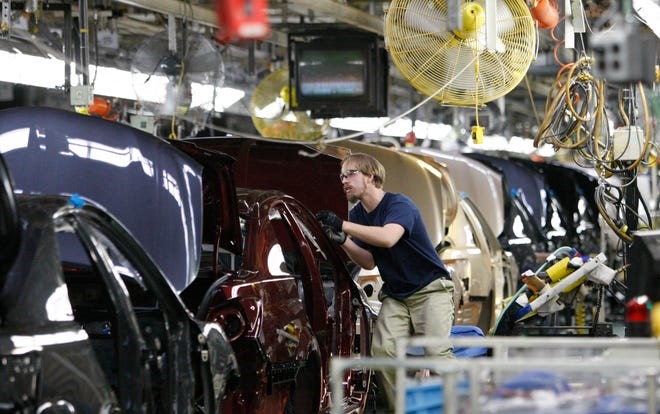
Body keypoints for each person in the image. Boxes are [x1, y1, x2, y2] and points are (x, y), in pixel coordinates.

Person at [316, 152, 455, 412]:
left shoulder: (399, 205)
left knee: (436, 354)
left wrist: (343, 225)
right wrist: (342, 240)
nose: (344, 181)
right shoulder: (359, 215)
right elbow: (369, 261)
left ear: (371, 176)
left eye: (350, 174)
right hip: (397, 296)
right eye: (341, 176)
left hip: (430, 289)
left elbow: (388, 238)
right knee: (383, 352)